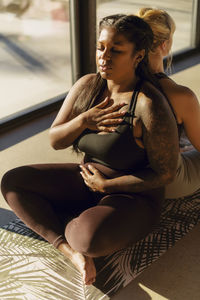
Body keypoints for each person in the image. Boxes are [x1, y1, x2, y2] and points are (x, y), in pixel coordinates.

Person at [0, 14, 179, 285]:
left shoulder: (148, 104)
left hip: (135, 196)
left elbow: (166, 173)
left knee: (88, 239)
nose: (104, 57)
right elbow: (56, 140)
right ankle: (69, 250)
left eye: (116, 50)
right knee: (13, 183)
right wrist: (85, 120)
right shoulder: (87, 86)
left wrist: (108, 186)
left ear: (138, 55)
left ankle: (79, 226)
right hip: (87, 179)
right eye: (101, 47)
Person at [138, 7, 200, 199]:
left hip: (129, 171)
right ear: (164, 45)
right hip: (166, 183)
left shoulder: (120, 83)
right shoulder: (180, 95)